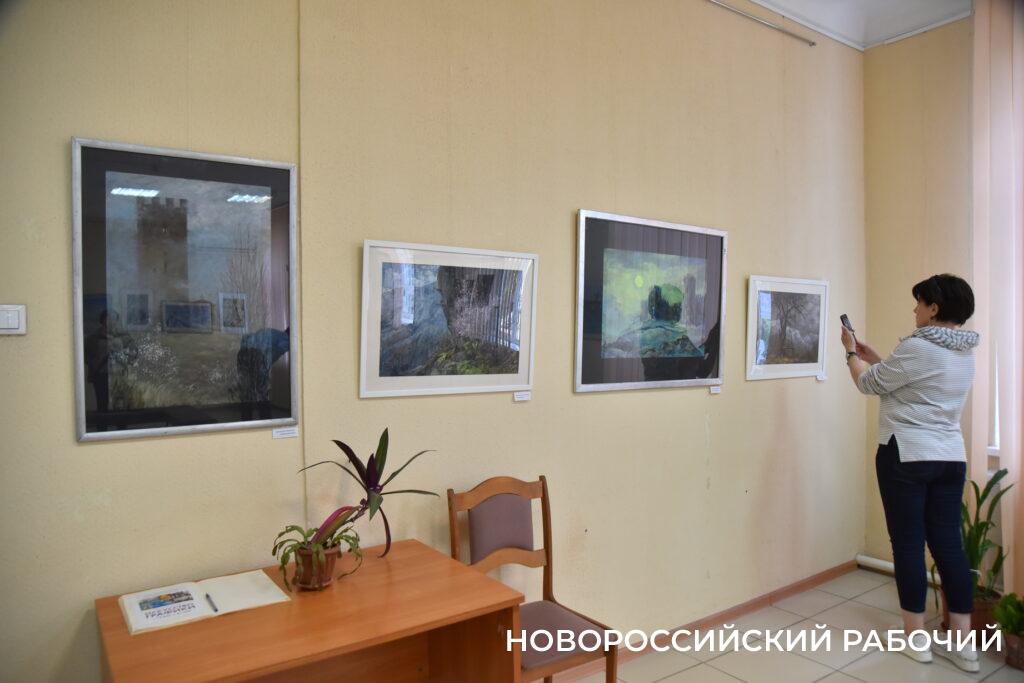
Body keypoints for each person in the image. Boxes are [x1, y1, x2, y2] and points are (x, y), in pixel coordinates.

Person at [841, 274, 980, 673]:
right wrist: (877, 357)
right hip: (949, 458)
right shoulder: (964, 352)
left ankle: (916, 640)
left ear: (934, 308)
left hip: (905, 455)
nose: (915, 309)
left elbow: (868, 385)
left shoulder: (919, 346)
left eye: (919, 302)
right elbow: (911, 384)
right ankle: (964, 647)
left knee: (907, 545)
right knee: (949, 548)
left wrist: (850, 353)